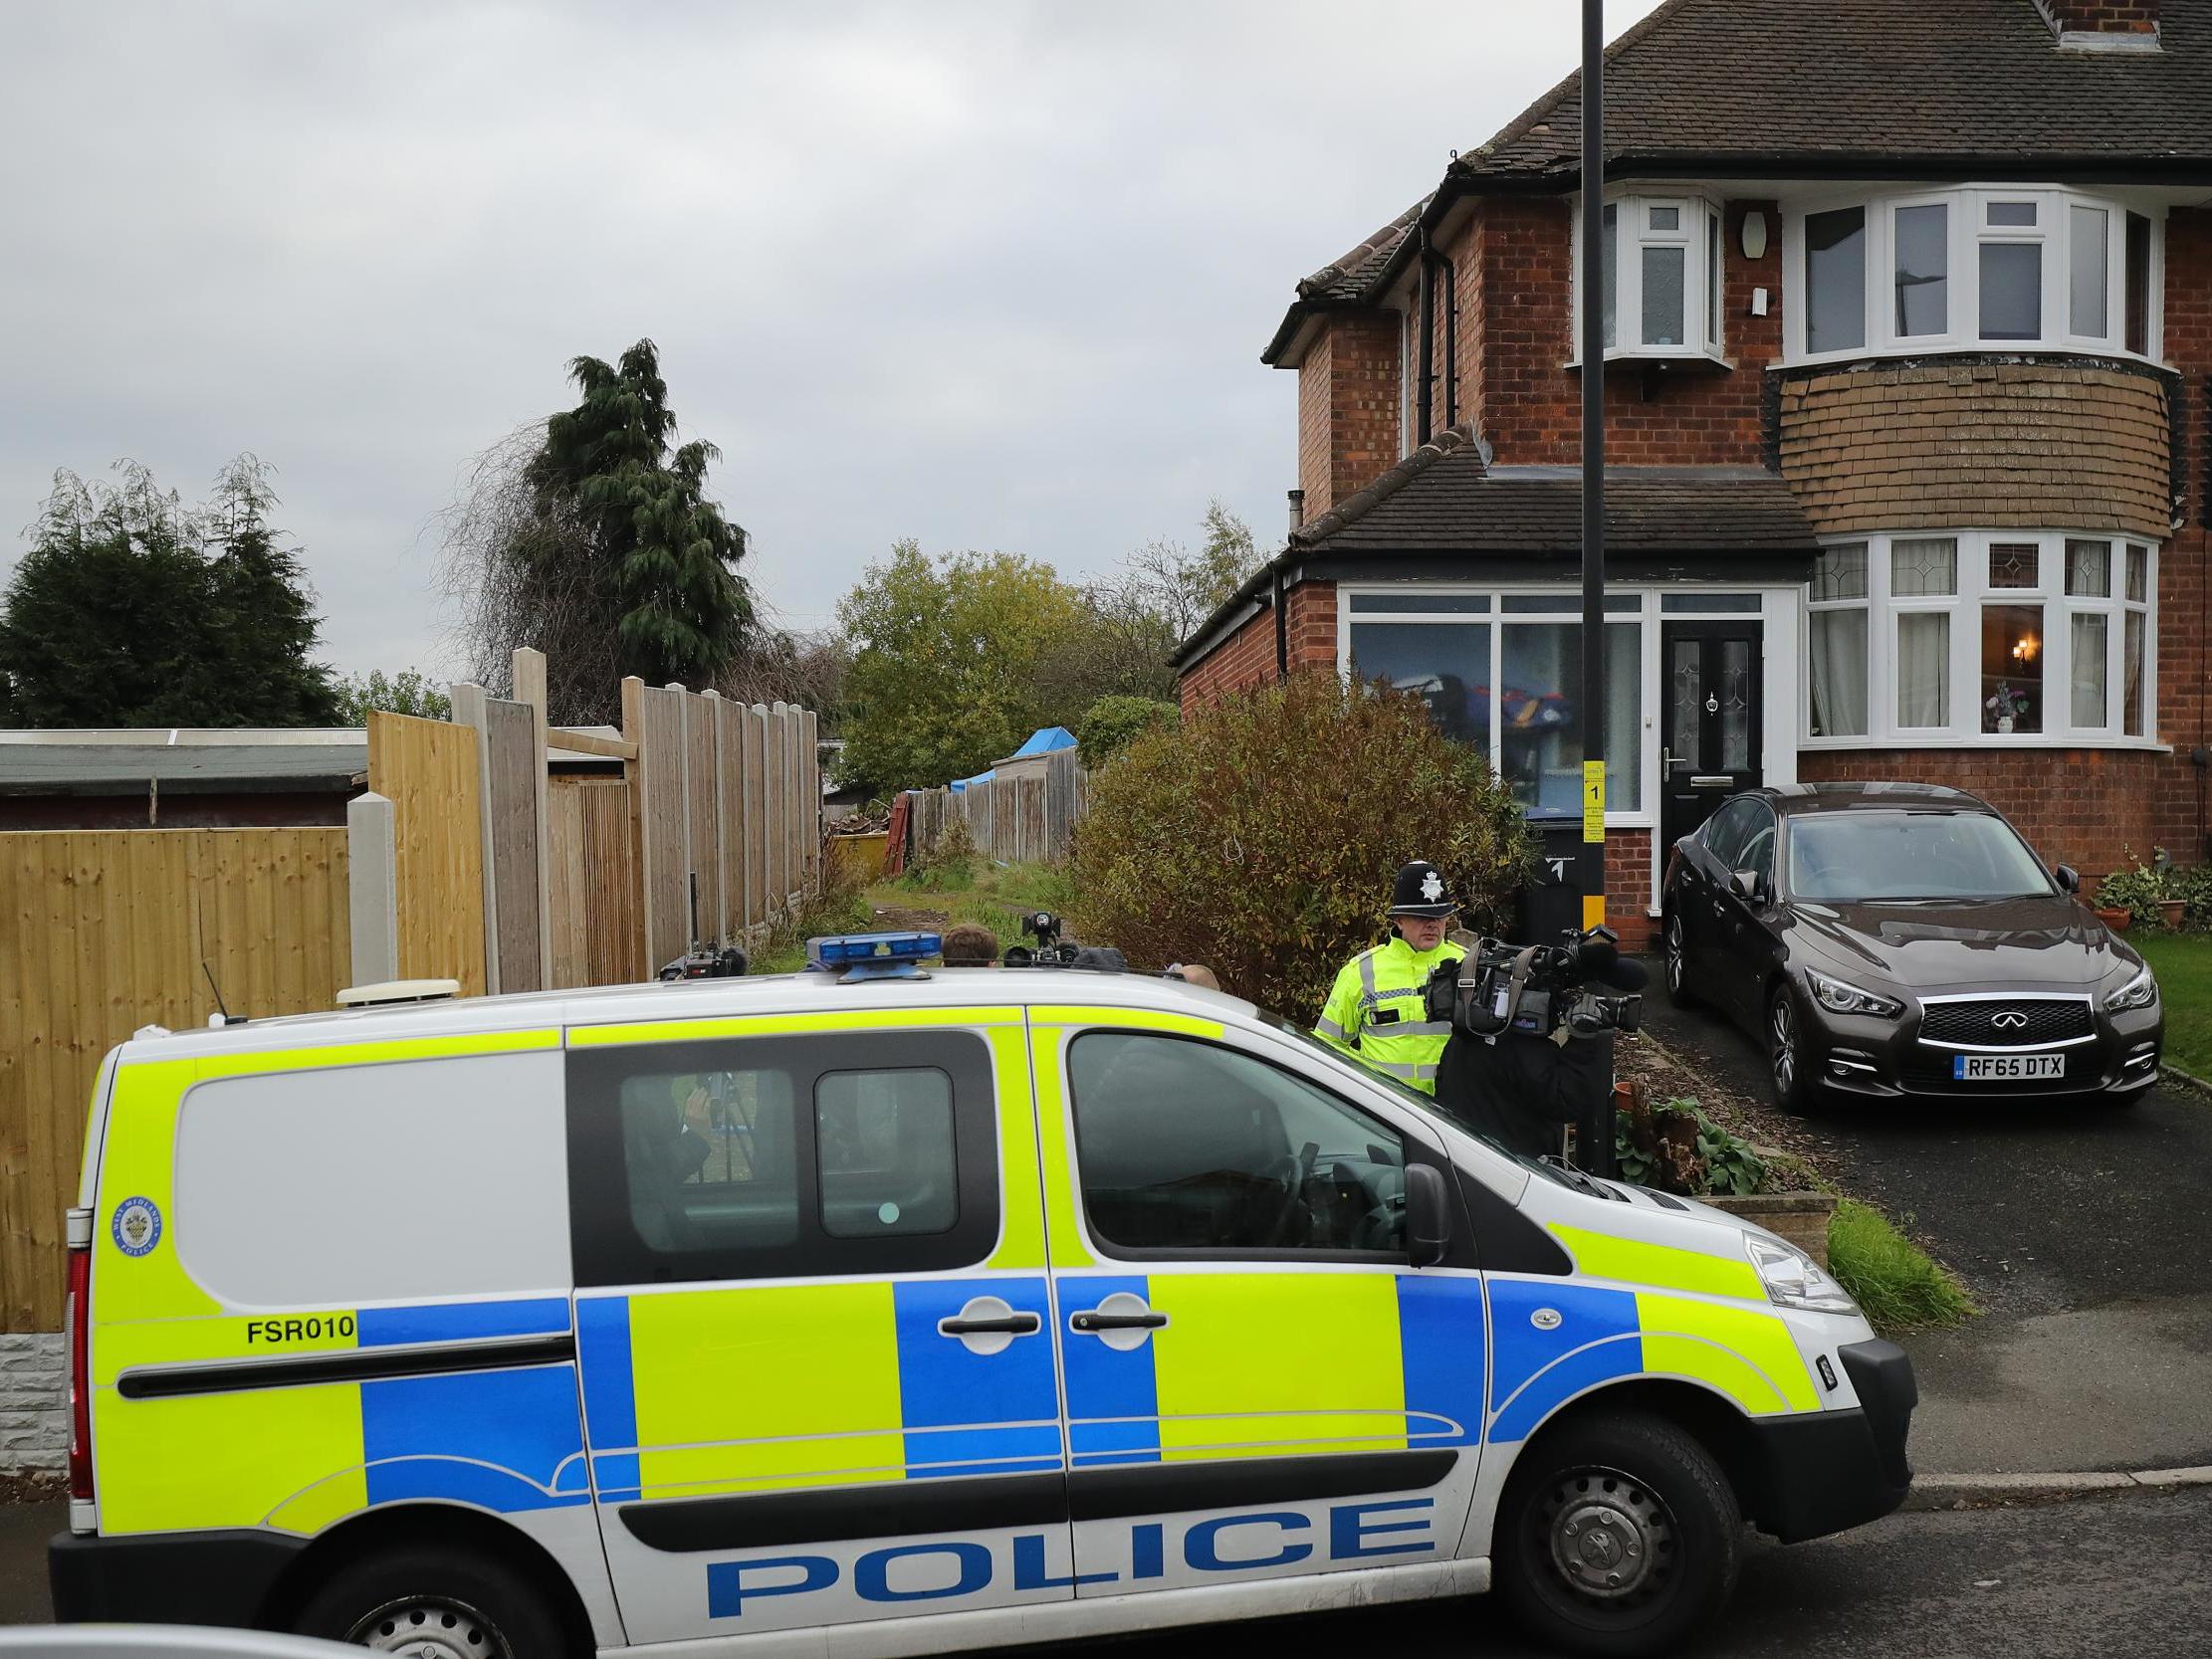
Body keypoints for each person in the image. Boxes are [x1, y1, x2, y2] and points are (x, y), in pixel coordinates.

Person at [1315, 861, 1466, 1096]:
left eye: (1438, 916)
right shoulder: (1360, 972)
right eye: (1420, 916)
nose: (1432, 925)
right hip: (1386, 1115)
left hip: (1452, 1119)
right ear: (1398, 920)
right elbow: (1326, 1048)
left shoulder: (1468, 966)